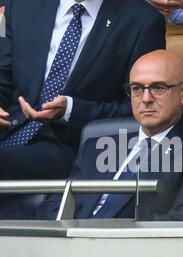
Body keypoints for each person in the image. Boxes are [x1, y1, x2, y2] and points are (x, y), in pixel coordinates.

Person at [39, 50, 183, 221]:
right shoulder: (97, 147)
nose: (146, 99)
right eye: (137, 89)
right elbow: (58, 200)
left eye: (158, 88)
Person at [0, 0, 166, 180]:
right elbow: (3, 75)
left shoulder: (142, 20)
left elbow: (141, 108)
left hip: (72, 145)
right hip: (10, 129)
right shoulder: (21, 6)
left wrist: (71, 110)